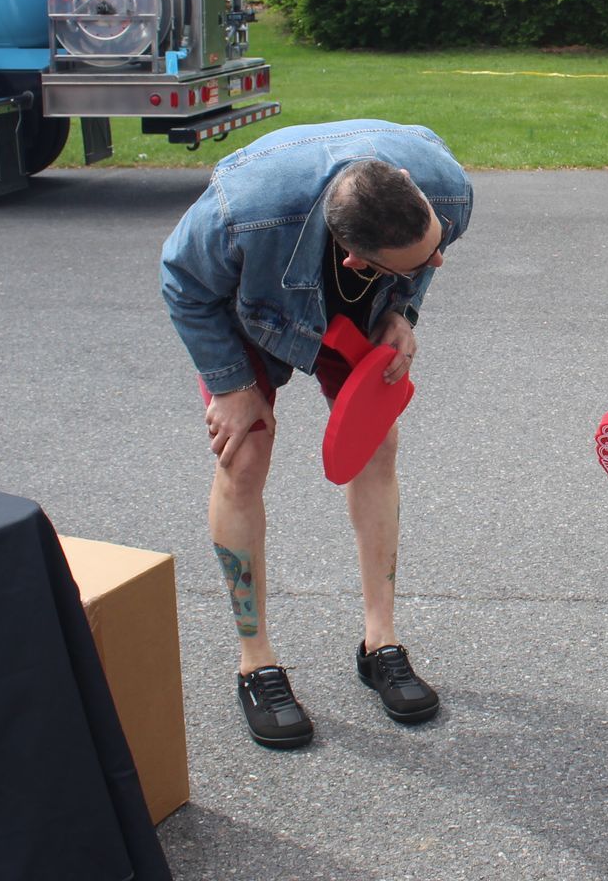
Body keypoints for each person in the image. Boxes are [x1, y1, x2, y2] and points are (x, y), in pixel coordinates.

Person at [160, 119, 473, 749]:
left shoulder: (447, 192)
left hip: (360, 309)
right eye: (420, 260)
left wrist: (402, 309)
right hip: (253, 310)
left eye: (436, 244)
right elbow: (184, 284)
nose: (439, 258)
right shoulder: (241, 212)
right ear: (356, 258)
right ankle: (257, 663)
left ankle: (379, 642)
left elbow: (423, 257)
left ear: (412, 188)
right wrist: (229, 384)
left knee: (377, 444)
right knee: (243, 456)